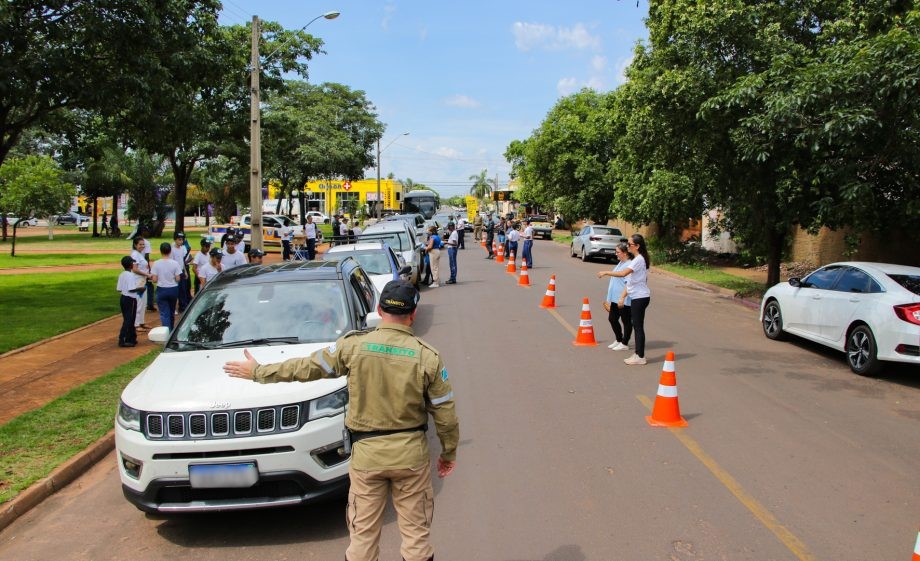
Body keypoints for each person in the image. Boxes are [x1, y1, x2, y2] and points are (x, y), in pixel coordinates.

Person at [223, 280, 458, 561]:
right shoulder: (426, 356)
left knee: (362, 538)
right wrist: (448, 452)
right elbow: (445, 414)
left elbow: (306, 368)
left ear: (380, 311)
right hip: (410, 457)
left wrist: (259, 372)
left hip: (366, 459)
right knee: (416, 538)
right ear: (413, 314)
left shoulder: (353, 347)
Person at [596, 233, 651, 365]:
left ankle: (640, 356)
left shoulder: (638, 260)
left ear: (637, 246)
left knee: (637, 327)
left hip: (639, 297)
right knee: (637, 326)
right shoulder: (639, 259)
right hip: (638, 296)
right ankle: (638, 354)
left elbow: (623, 274)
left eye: (630, 244)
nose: (628, 246)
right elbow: (630, 281)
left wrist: (605, 272)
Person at [601, 242, 633, 351]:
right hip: (615, 298)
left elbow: (627, 282)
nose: (616, 254)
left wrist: (606, 272)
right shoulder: (620, 263)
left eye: (618, 252)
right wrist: (609, 298)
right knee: (612, 319)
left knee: (626, 321)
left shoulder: (629, 265)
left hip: (624, 299)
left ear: (625, 253)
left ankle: (624, 343)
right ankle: (619, 339)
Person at [151, 242, 183, 330]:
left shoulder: (156, 263)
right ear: (170, 251)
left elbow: (154, 279)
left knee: (164, 313)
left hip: (161, 289)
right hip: (173, 289)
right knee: (172, 311)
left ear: (161, 251)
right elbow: (178, 279)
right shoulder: (175, 263)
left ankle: (166, 331)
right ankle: (171, 330)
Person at [116, 255, 144, 347]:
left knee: (128, 319)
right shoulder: (131, 275)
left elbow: (119, 289)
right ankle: (123, 340)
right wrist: (140, 289)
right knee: (129, 320)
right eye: (132, 263)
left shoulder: (122, 274)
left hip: (123, 298)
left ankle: (131, 338)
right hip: (130, 299)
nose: (133, 264)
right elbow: (131, 289)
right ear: (130, 265)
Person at [130, 236, 153, 331]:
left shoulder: (140, 254)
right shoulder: (135, 255)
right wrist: (146, 274)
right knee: (139, 302)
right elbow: (134, 269)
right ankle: (136, 324)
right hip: (138, 281)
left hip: (143, 280)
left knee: (143, 302)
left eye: (143, 244)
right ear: (135, 245)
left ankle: (141, 322)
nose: (142, 246)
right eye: (140, 244)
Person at [171, 232, 190, 313]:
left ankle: (182, 307)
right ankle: (173, 307)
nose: (181, 241)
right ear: (175, 240)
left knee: (183, 289)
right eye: (179, 240)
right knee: (175, 290)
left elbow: (182, 260)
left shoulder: (183, 248)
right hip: (175, 272)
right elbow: (171, 262)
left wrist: (185, 271)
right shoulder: (172, 249)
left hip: (181, 271)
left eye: (182, 240)